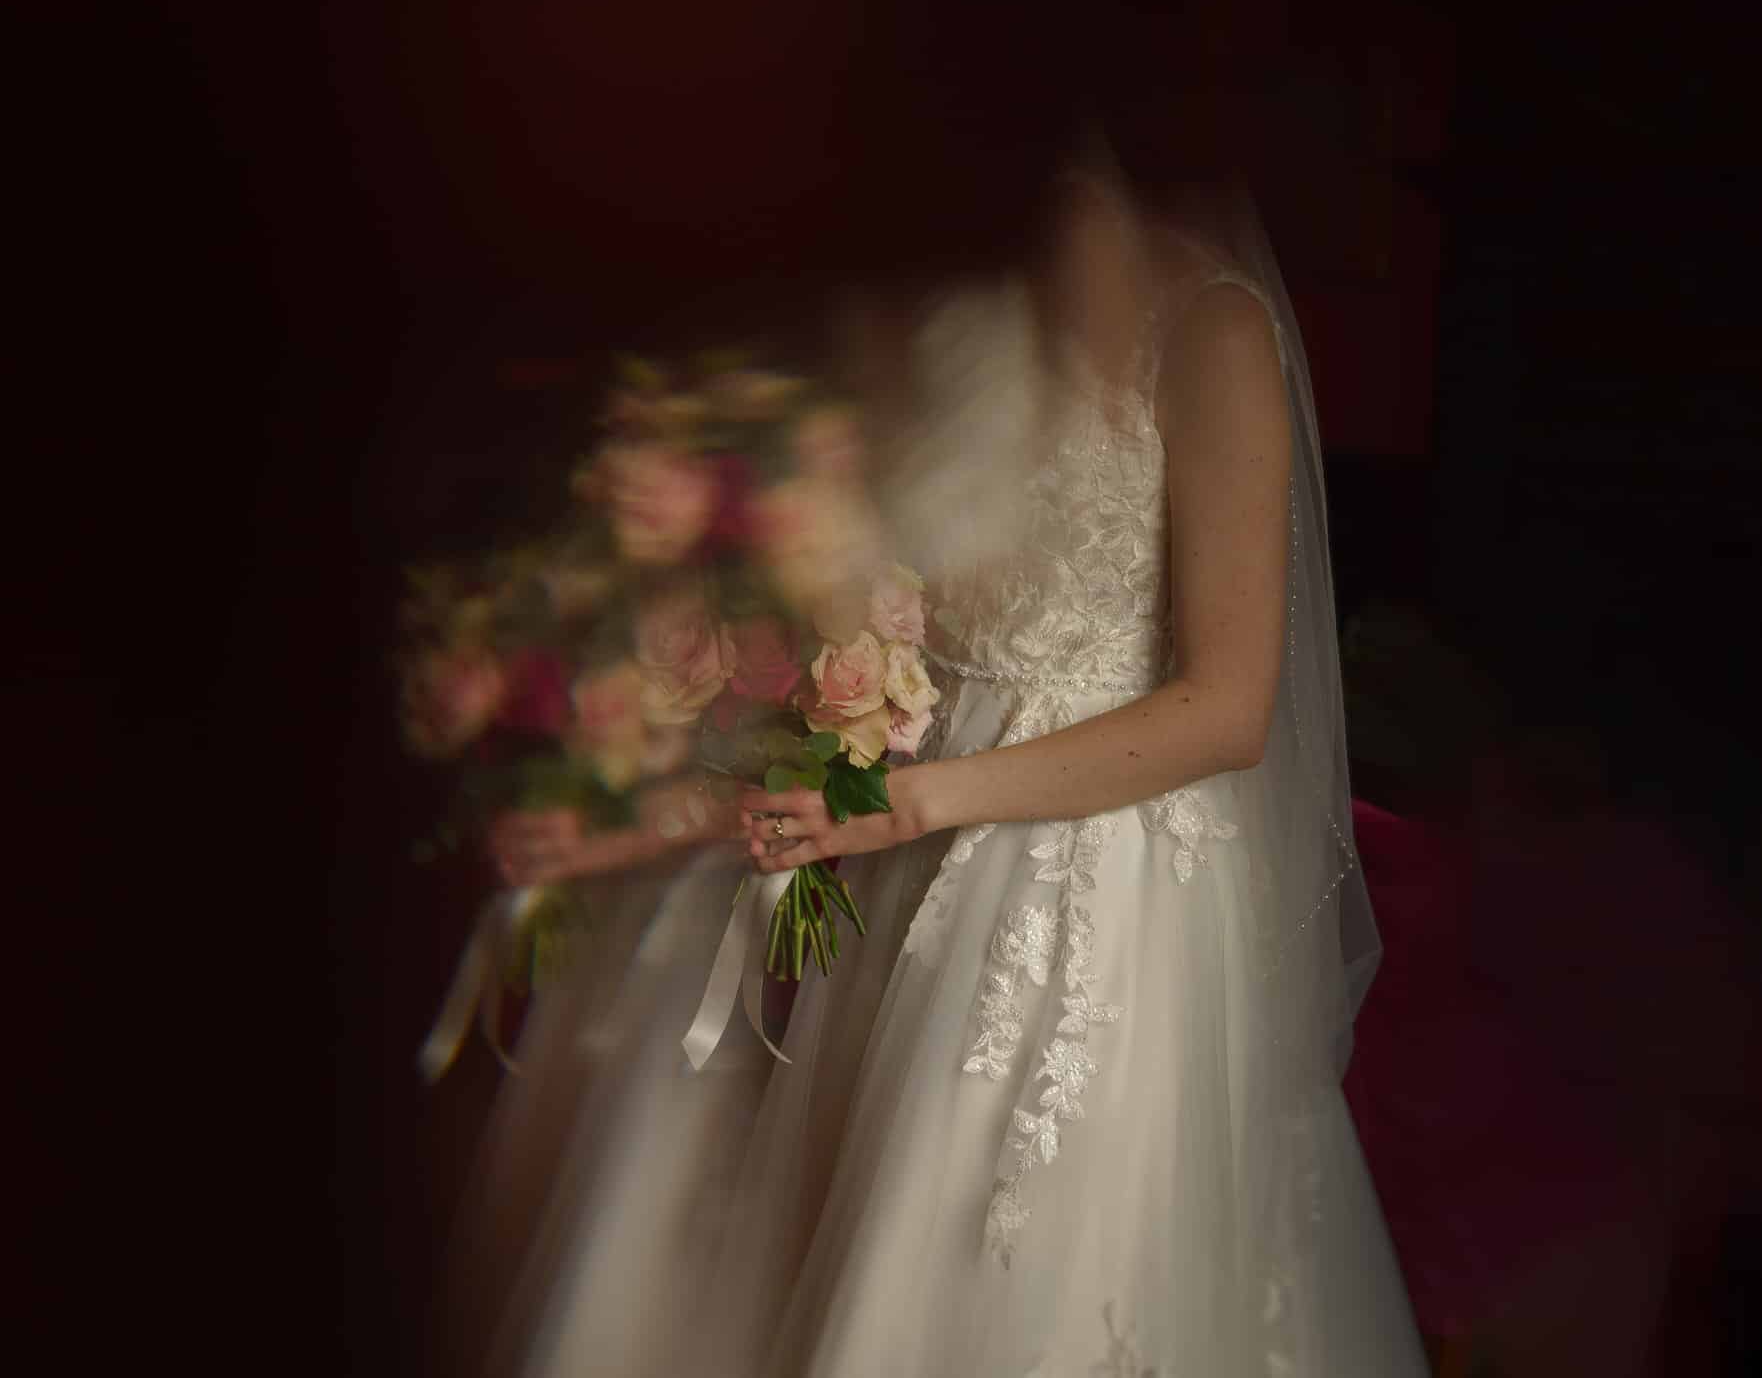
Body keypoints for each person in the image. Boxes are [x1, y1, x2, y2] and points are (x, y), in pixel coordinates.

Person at [438, 136, 1428, 1374]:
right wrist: (639, 802)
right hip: (903, 855)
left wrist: (918, 799)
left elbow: (1226, 707)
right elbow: (831, 639)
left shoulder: (1209, 326)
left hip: (1104, 893)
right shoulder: (930, 315)